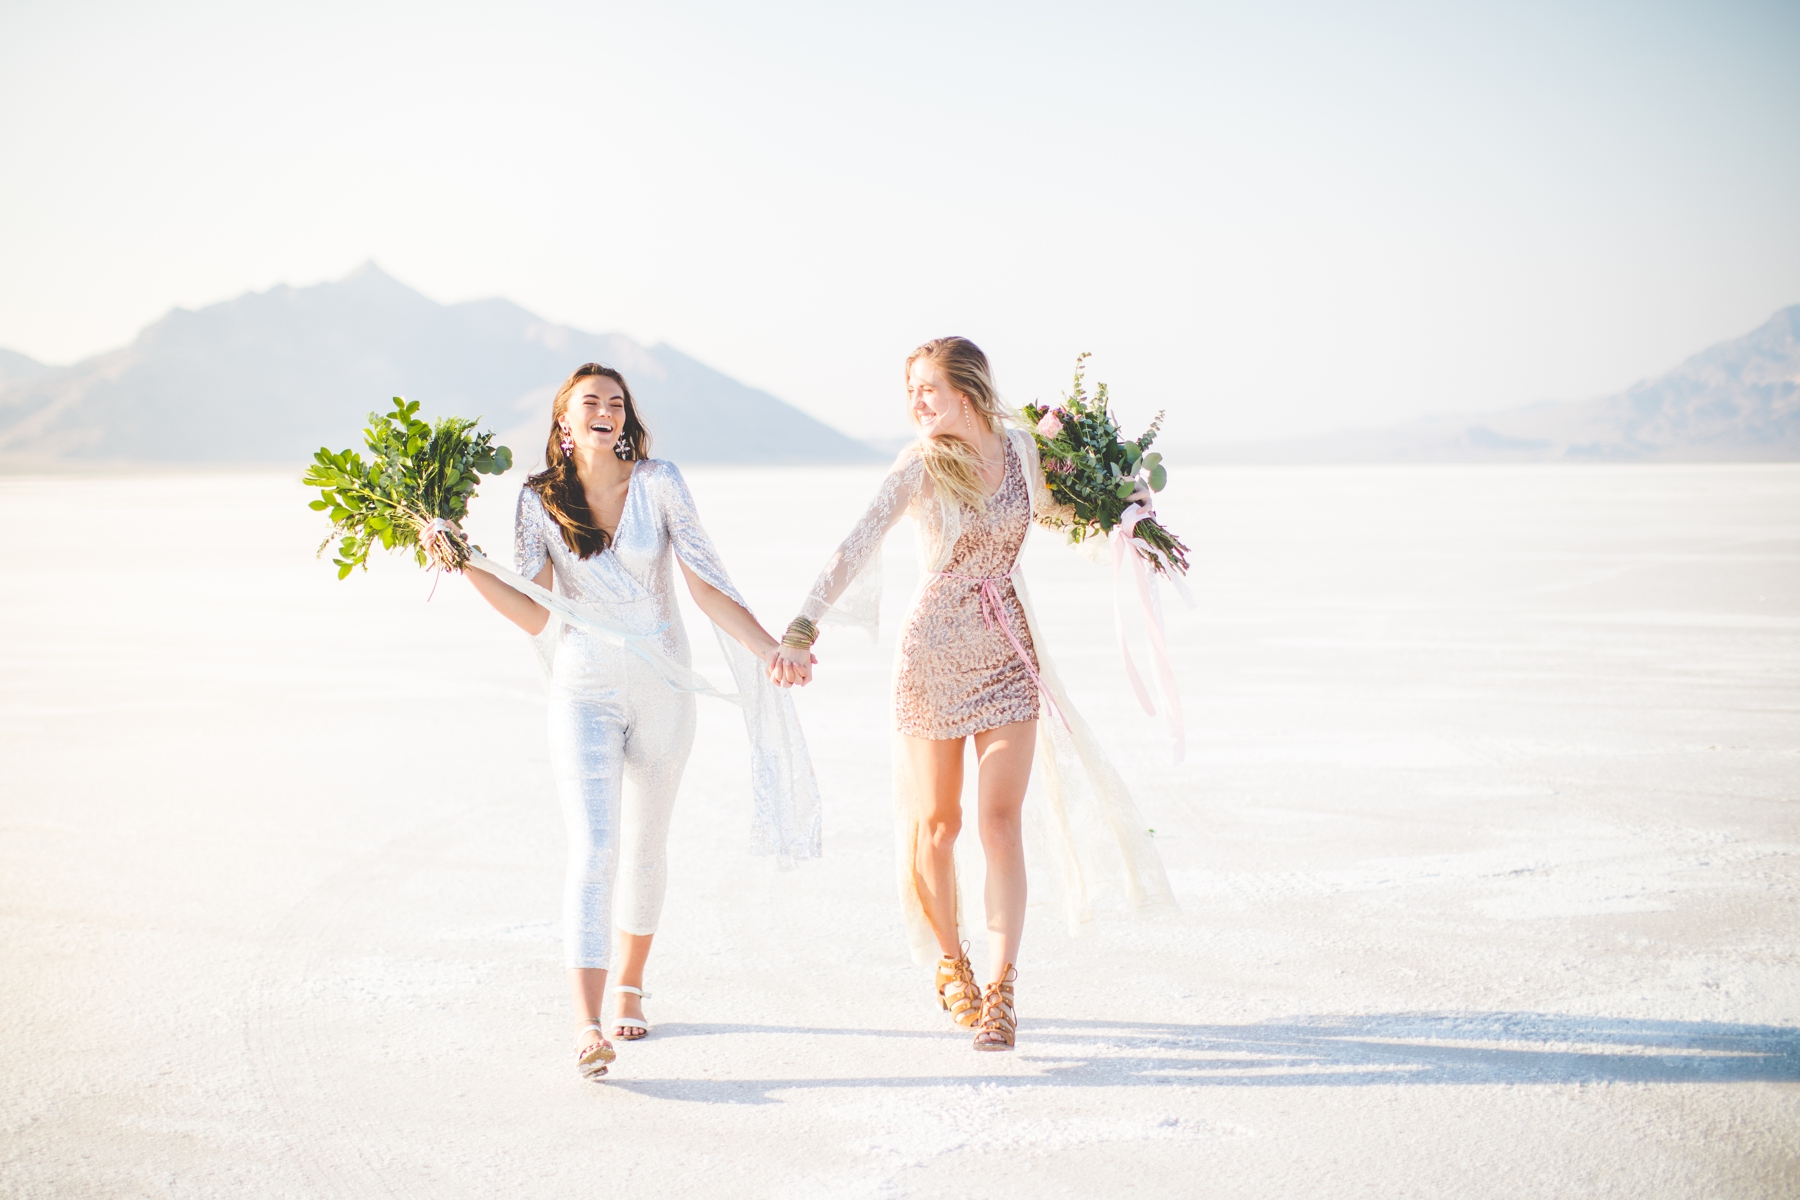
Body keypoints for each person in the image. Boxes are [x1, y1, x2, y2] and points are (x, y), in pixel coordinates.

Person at [772, 337, 1172, 1052]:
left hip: (1007, 651)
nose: (918, 404)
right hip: (931, 655)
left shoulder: (1020, 450)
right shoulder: (923, 465)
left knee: (1000, 822)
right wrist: (803, 624)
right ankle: (950, 961)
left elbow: (1051, 514)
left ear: (969, 390)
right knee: (938, 825)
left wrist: (1125, 515)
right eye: (911, 393)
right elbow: (855, 542)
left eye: (928, 389)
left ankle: (1001, 990)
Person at [465, 362, 818, 1081]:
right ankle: (586, 1025)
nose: (606, 411)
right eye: (590, 402)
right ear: (564, 422)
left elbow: (705, 583)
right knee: (593, 850)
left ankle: (630, 981)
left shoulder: (660, 483)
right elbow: (535, 611)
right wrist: (469, 565)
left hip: (664, 691)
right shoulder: (536, 501)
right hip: (583, 690)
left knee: (645, 846)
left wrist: (768, 647)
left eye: (616, 403)